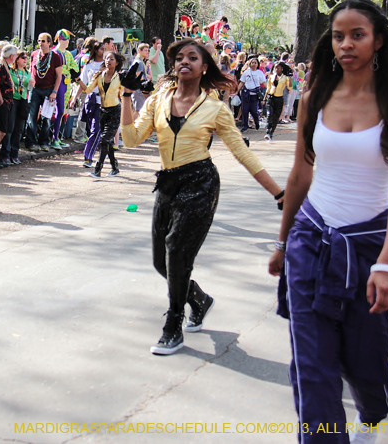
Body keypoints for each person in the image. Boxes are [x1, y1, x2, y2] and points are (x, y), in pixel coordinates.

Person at [268, 0, 388, 444]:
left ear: (378, 41)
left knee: (364, 364)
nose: (346, 44)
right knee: (312, 365)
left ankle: (376, 404)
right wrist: (282, 243)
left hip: (369, 247)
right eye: (338, 36)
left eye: (358, 35)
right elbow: (300, 173)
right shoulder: (314, 98)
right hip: (310, 242)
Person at [120, 39, 284, 355]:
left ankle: (173, 326)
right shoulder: (157, 100)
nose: (184, 61)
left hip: (200, 184)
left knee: (176, 251)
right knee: (161, 262)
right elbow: (129, 139)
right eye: (179, 57)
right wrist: (126, 96)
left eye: (192, 57)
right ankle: (198, 298)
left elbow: (242, 154)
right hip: (168, 183)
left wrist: (278, 192)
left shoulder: (215, 109)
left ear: (203, 66)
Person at [84, 51, 124, 178]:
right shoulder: (99, 76)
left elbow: (123, 95)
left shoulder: (120, 77)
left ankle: (97, 170)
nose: (108, 60)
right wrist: (77, 79)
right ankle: (115, 168)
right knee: (108, 142)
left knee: (104, 140)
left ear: (116, 62)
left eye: (111, 59)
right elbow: (88, 89)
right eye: (106, 58)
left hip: (115, 110)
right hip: (103, 111)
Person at [26, 33, 63, 152]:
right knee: (32, 116)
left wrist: (54, 92)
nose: (40, 43)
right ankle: (31, 142)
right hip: (35, 89)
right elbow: (31, 70)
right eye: (39, 41)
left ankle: (44, 142)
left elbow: (59, 76)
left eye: (43, 41)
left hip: (49, 89)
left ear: (49, 43)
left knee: (46, 117)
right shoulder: (34, 54)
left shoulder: (55, 57)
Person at [70, 39, 104, 166]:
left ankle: (88, 157)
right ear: (95, 51)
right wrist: (74, 98)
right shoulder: (89, 66)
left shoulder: (107, 67)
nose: (103, 52)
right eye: (101, 49)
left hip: (103, 102)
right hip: (90, 101)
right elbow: (82, 84)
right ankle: (99, 154)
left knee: (96, 130)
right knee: (92, 130)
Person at [52, 29, 83, 149]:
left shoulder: (69, 54)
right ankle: (54, 138)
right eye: (65, 39)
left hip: (67, 84)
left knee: (62, 111)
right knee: (57, 110)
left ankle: (58, 137)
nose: (67, 41)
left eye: (68, 39)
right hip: (57, 83)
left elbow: (75, 68)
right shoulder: (54, 53)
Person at [0, 51, 31, 165]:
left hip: (23, 101)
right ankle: (5, 154)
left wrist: (32, 84)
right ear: (17, 59)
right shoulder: (11, 71)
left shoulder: (27, 72)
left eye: (26, 58)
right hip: (13, 100)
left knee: (18, 129)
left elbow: (30, 86)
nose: (25, 59)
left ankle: (15, 154)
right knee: (9, 128)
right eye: (23, 57)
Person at [265, 61, 290, 141]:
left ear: (282, 68)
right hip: (271, 97)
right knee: (270, 114)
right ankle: (268, 131)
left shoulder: (285, 77)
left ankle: (271, 133)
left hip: (279, 98)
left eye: (278, 68)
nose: (276, 69)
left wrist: (290, 78)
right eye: (275, 67)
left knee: (276, 117)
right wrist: (265, 97)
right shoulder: (271, 77)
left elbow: (289, 88)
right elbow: (268, 88)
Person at [239, 57, 266, 131]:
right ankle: (245, 126)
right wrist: (236, 91)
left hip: (255, 94)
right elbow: (242, 82)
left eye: (255, 63)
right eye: (252, 63)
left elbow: (264, 82)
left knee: (254, 111)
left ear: (257, 64)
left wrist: (269, 91)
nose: (253, 64)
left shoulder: (259, 73)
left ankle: (256, 122)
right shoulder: (246, 72)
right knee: (245, 110)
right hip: (246, 94)